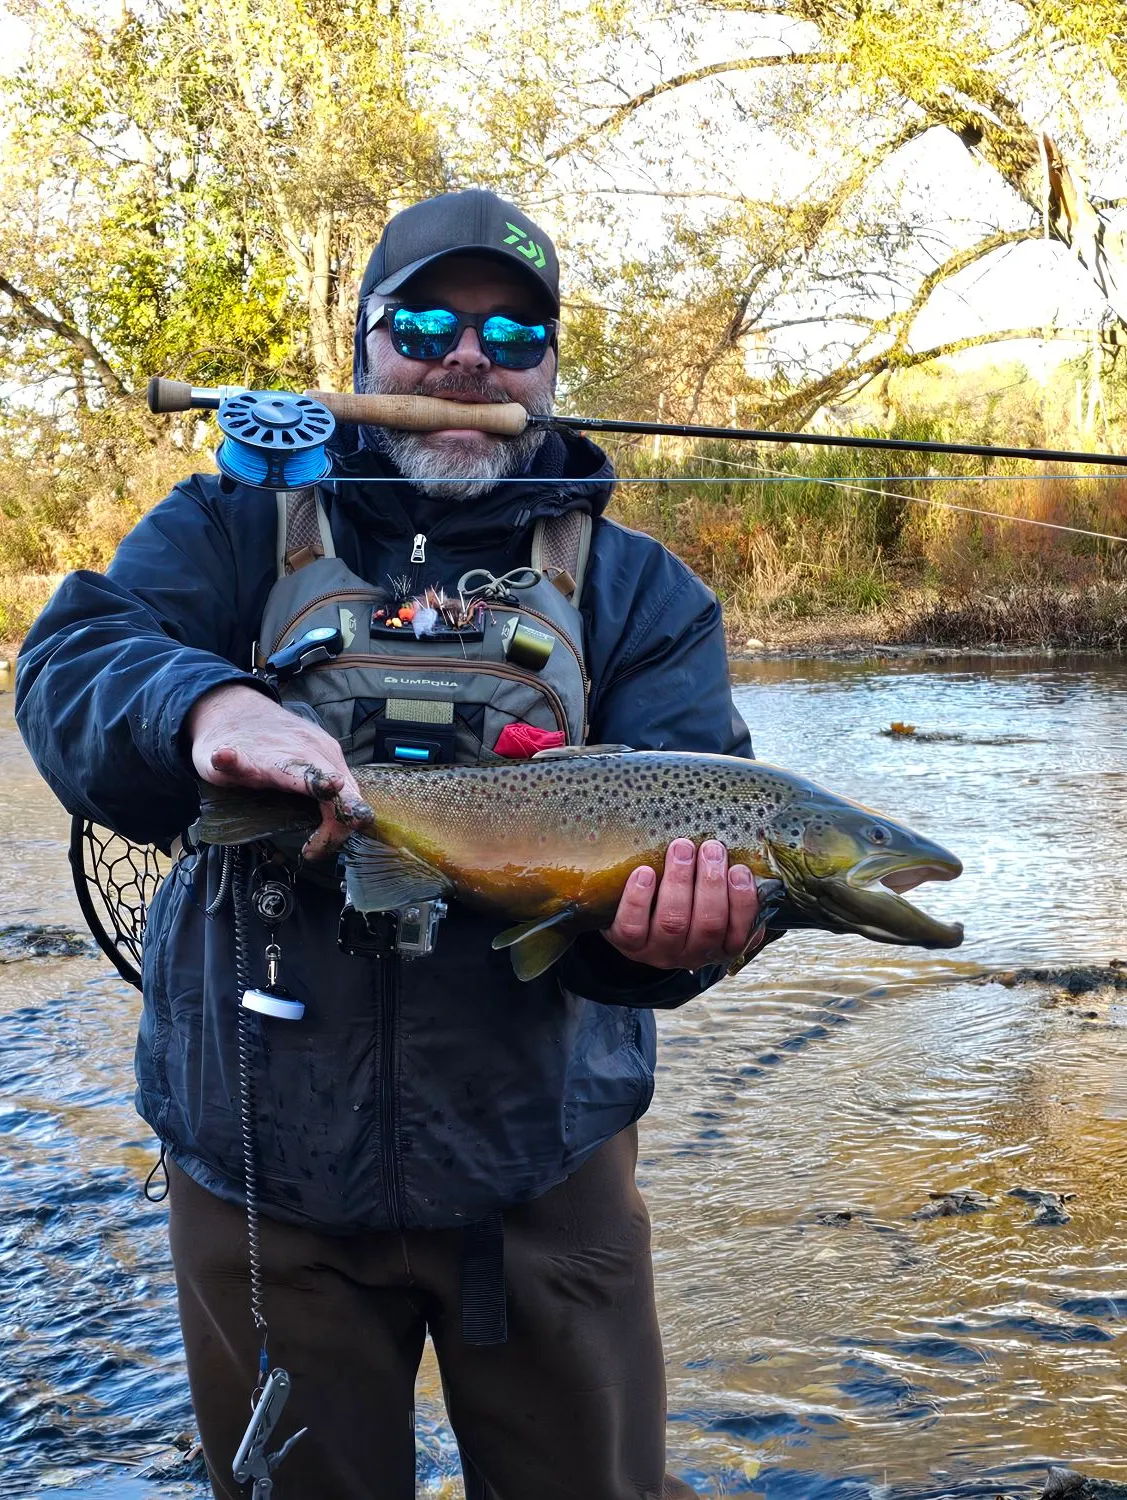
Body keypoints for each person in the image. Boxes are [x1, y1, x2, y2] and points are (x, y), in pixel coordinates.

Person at [16, 189, 764, 1500]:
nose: (466, 357)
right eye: (424, 321)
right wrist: (206, 703)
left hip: (542, 1162)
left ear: (548, 367)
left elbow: (701, 838)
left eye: (513, 333)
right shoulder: (229, 529)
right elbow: (74, 661)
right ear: (361, 346)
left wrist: (674, 950)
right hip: (263, 1169)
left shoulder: (644, 593)